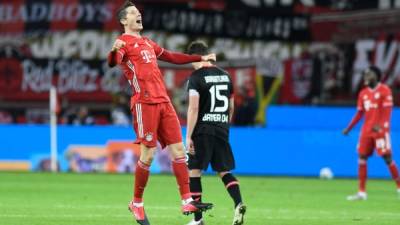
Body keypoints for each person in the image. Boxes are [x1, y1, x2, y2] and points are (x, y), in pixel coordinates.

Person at [107, 1, 215, 225]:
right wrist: (113, 50)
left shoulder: (147, 42)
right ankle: (136, 203)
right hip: (144, 103)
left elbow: (173, 57)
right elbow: (112, 63)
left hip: (164, 101)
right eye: (134, 14)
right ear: (123, 20)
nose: (139, 16)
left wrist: (199, 58)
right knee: (148, 155)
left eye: (139, 12)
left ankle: (186, 200)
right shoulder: (124, 43)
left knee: (179, 151)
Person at [185, 40, 246, 225]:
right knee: (223, 171)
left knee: (194, 172)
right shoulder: (226, 76)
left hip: (202, 130)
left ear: (193, 57)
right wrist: (224, 126)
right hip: (221, 128)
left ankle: (198, 220)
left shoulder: (195, 77)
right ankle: (238, 203)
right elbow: (231, 105)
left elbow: (193, 108)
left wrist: (188, 136)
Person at [343, 66, 400, 200]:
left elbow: (387, 111)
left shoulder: (385, 90)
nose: (366, 77)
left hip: (380, 131)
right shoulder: (363, 93)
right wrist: (349, 128)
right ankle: (362, 192)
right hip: (366, 131)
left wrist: (382, 126)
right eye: (365, 74)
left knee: (387, 158)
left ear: (376, 75)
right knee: (362, 157)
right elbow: (359, 113)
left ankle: (399, 187)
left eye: (369, 74)